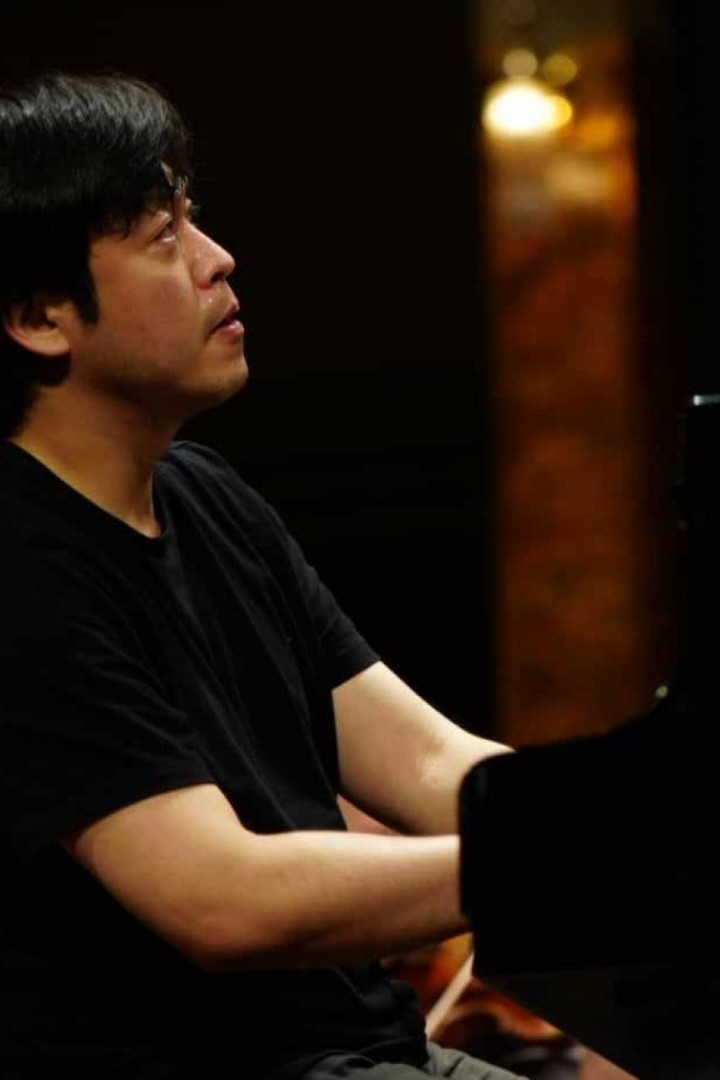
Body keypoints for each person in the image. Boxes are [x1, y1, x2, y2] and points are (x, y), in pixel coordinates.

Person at [0, 71, 522, 1079]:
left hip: (363, 1047)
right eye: (164, 236)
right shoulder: (21, 568)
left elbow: (427, 764)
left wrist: (643, 821)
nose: (217, 258)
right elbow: (223, 901)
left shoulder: (207, 497)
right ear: (39, 315)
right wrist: (574, 868)